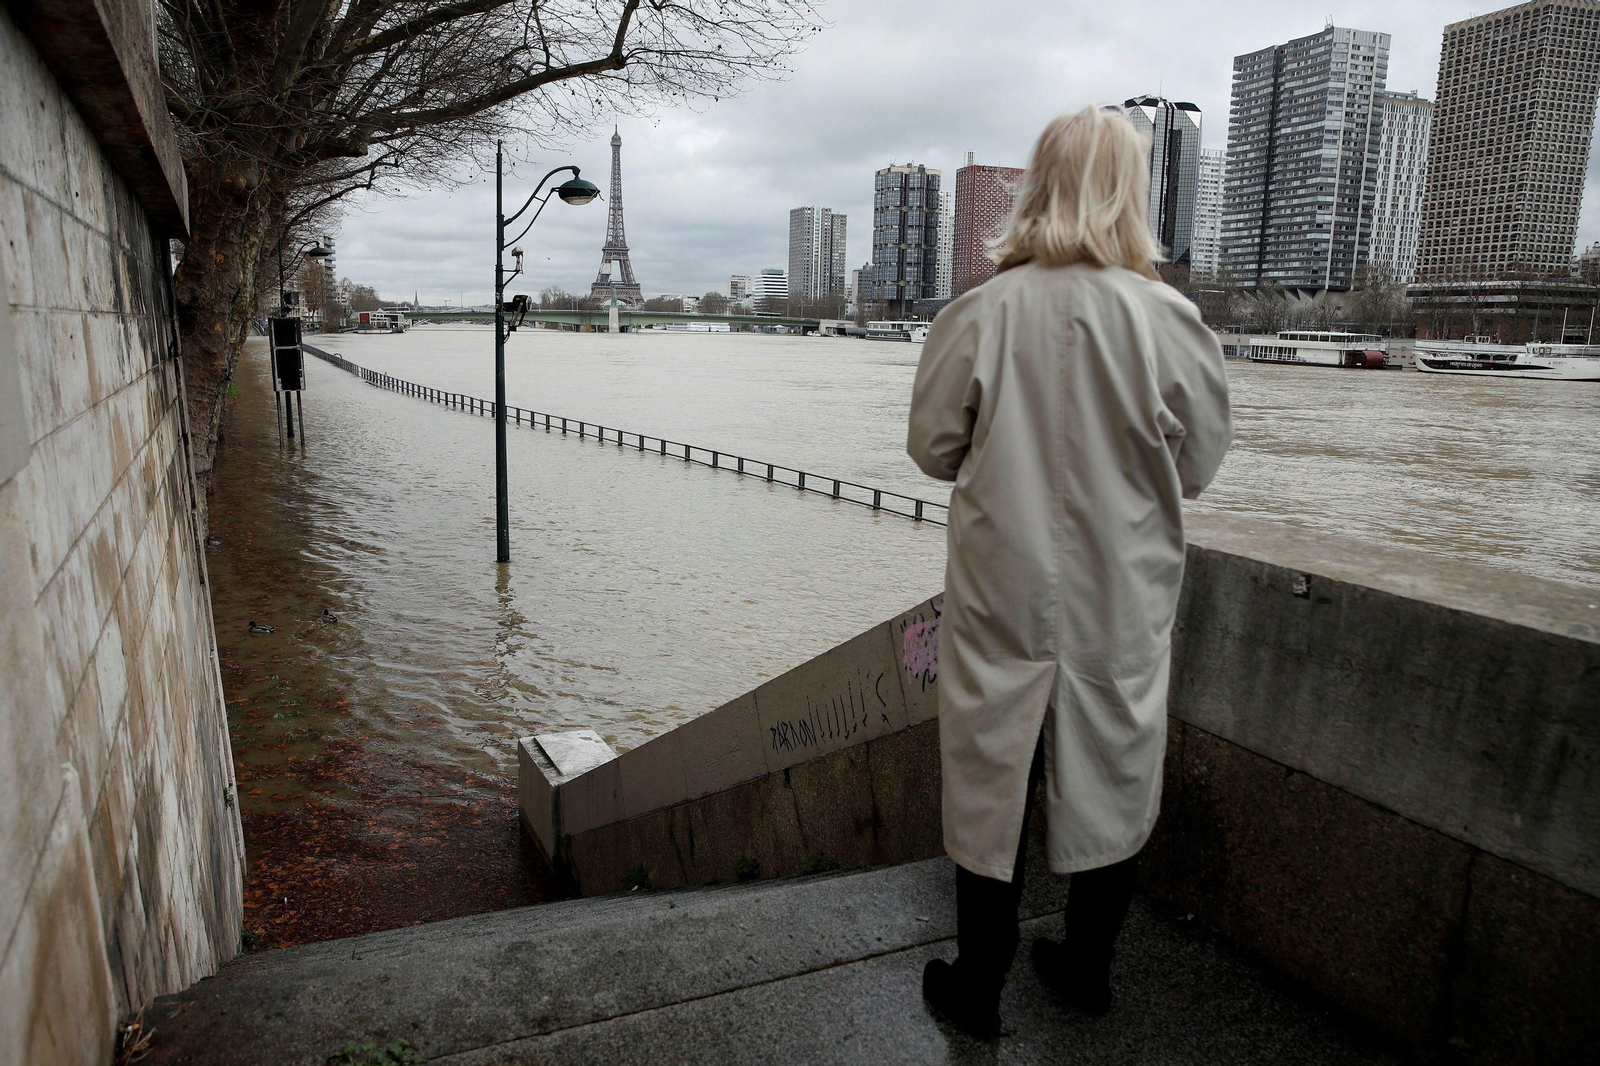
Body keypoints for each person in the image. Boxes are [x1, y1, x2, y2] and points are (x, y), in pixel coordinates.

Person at [906, 105, 1233, 1039]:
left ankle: (978, 984)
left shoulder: (977, 314)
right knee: (1117, 763)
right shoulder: (1171, 322)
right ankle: (1087, 966)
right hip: (1119, 590)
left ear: (1034, 187)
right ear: (1133, 194)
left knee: (989, 766)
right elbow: (1199, 466)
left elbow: (933, 448)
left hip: (1002, 584)